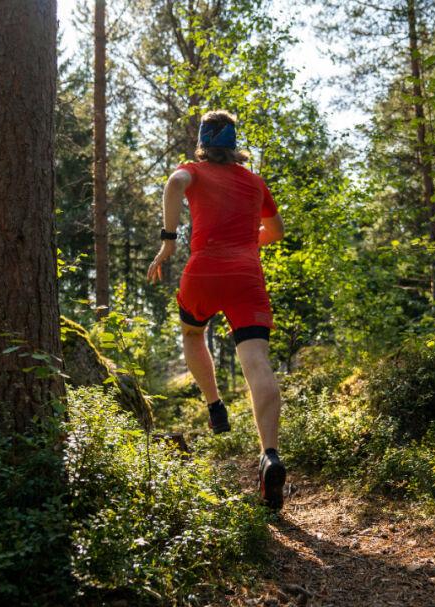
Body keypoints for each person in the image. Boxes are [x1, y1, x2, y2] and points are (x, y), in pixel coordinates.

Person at [146, 110, 287, 510]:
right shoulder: (255, 182)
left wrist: (169, 241)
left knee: (193, 334)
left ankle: (214, 404)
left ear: (204, 144)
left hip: (203, 270)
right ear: (234, 145)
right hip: (246, 276)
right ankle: (270, 455)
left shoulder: (193, 170)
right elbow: (276, 232)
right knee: (257, 361)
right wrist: (245, 244)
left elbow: (175, 182)